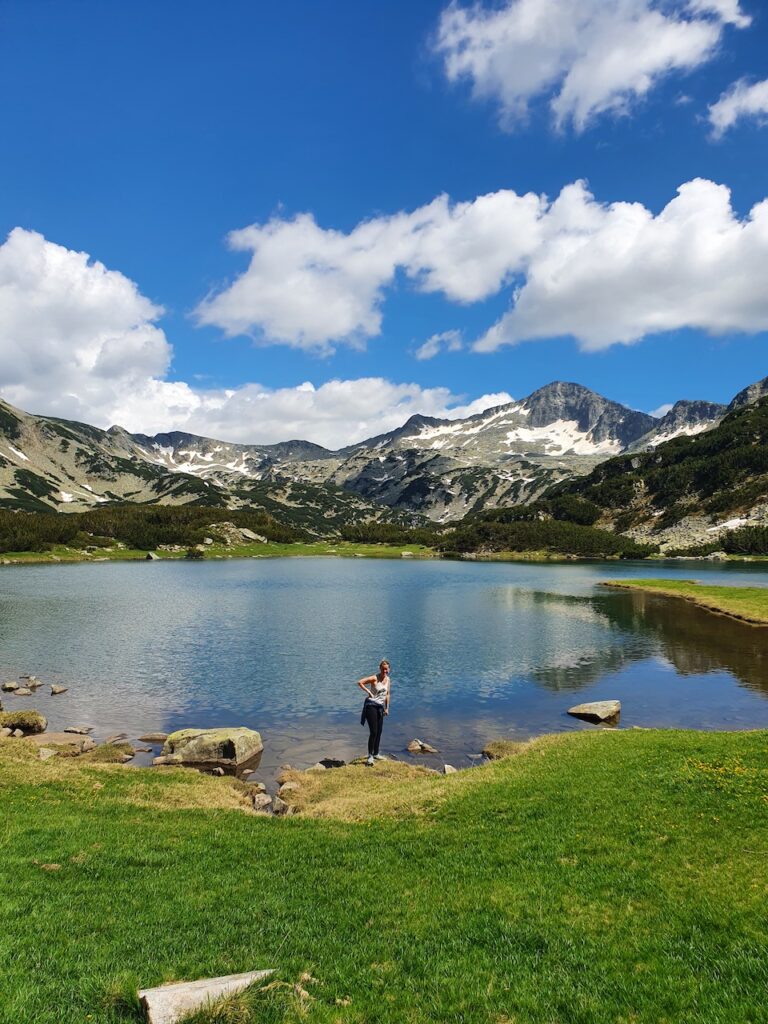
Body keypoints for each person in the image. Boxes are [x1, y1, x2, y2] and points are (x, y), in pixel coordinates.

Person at [358, 660, 390, 766]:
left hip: (380, 708)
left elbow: (388, 694)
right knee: (374, 732)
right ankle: (370, 756)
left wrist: (387, 708)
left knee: (379, 731)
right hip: (371, 706)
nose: (385, 671)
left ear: (389, 669)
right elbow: (360, 682)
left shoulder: (388, 679)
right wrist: (369, 692)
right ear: (380, 668)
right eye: (383, 669)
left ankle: (376, 753)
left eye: (386, 669)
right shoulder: (374, 678)